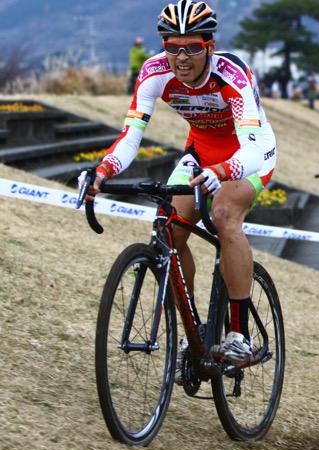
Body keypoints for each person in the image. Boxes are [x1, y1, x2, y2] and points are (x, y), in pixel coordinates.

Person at [82, 0, 277, 366]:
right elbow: (130, 137)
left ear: (211, 47)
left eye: (192, 47)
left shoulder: (232, 75)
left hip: (250, 154)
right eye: (172, 47)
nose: (181, 57)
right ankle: (194, 332)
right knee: (167, 231)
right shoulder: (154, 72)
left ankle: (239, 334)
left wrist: (223, 171)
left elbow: (251, 143)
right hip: (201, 152)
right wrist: (103, 171)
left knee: (223, 214)